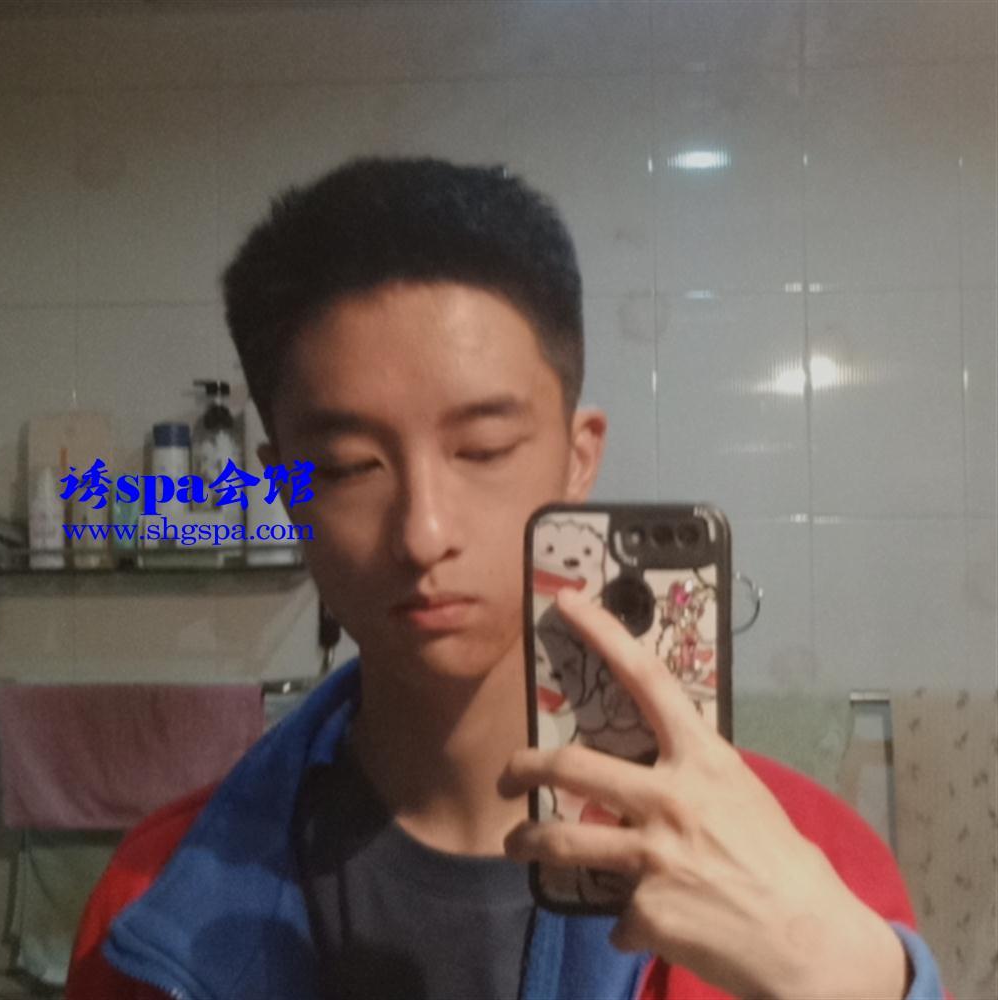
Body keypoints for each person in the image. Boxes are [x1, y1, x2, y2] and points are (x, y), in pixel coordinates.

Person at [66, 157, 947, 1000]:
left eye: (484, 450)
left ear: (577, 458)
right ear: (287, 486)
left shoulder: (801, 868)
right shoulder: (157, 901)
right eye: (346, 466)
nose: (423, 533)